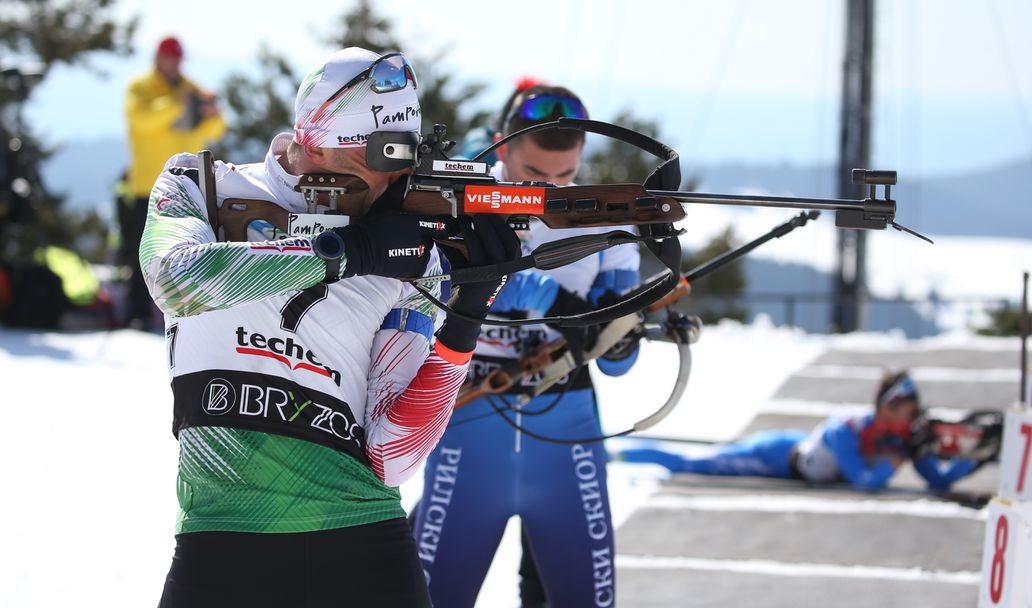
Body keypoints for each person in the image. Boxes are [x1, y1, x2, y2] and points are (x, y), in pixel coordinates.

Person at [141, 47, 519, 607]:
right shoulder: (199, 186)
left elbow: (393, 456)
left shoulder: (412, 252)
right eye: (382, 153)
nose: (398, 174)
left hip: (367, 547)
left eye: (408, 153)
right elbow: (174, 280)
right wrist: (346, 253)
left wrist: (465, 323)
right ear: (315, 144)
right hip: (222, 541)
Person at [412, 84, 641, 608]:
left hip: (566, 426)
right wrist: (547, 294)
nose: (547, 189)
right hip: (469, 420)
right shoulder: (457, 199)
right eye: (533, 174)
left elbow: (620, 363)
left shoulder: (607, 216)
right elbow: (435, 286)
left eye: (565, 175)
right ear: (502, 144)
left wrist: (617, 334)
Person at [619, 371, 982, 492]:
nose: (914, 418)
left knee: (700, 456)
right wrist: (898, 458)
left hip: (796, 448)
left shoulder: (900, 437)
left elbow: (938, 481)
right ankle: (616, 453)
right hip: (775, 457)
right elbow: (864, 481)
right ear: (887, 407)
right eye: (909, 411)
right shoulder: (846, 429)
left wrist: (975, 457)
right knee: (691, 463)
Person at [123, 36, 225, 328]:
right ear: (158, 57)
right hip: (146, 183)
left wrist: (212, 114)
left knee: (189, 248)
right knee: (138, 251)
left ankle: (188, 312)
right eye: (170, 58)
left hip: (186, 185)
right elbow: (142, 121)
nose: (174, 64)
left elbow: (216, 130)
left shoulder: (190, 88)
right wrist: (176, 105)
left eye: (177, 59)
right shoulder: (140, 87)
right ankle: (138, 314)